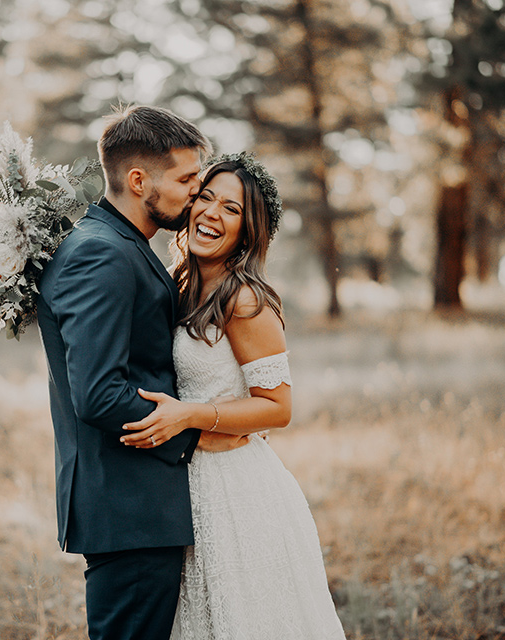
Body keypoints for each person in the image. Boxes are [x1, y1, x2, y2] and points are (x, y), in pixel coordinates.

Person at [35, 105, 246, 640]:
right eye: (185, 179)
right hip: (129, 508)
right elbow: (100, 394)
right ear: (137, 180)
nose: (196, 193)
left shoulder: (119, 242)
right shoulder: (102, 254)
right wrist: (195, 432)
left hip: (139, 506)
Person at [120, 154, 347, 639]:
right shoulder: (179, 284)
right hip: (186, 485)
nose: (211, 214)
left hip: (237, 492)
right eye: (205, 197)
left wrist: (192, 417)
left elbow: (278, 407)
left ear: (248, 231)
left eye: (232, 209)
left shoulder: (244, 300)